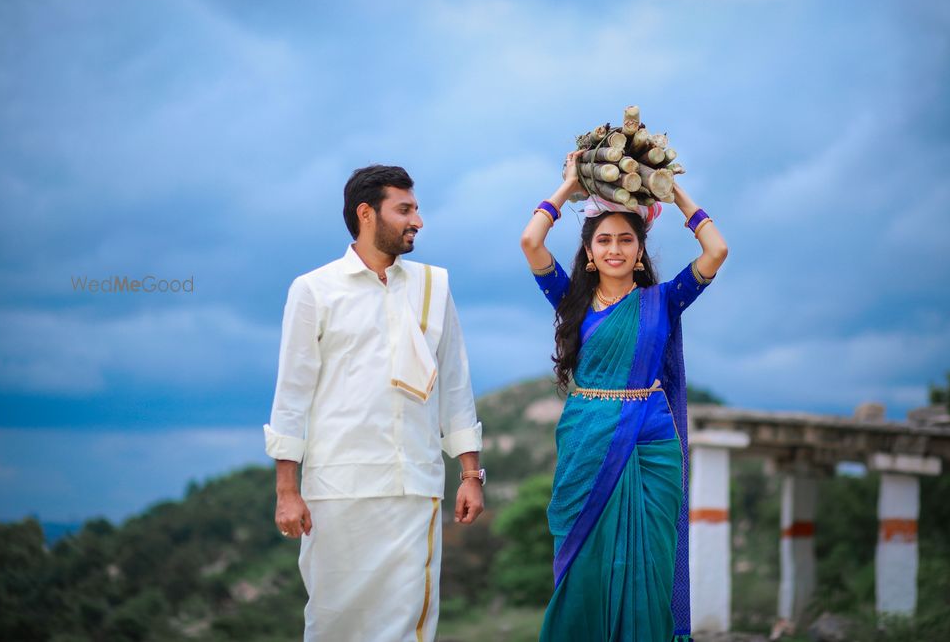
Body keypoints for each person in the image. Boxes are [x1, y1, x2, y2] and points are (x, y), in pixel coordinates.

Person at [264, 164, 486, 642]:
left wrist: (471, 474)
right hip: (336, 487)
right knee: (332, 621)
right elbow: (292, 392)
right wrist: (287, 490)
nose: (418, 221)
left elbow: (454, 384)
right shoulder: (314, 290)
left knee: (408, 624)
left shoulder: (434, 286)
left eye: (417, 208)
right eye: (404, 209)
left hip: (415, 485)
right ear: (367, 214)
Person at [520, 150, 728, 641]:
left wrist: (670, 190)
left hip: (652, 443)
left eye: (626, 239)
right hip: (586, 441)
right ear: (590, 254)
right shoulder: (569, 298)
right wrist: (569, 188)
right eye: (605, 240)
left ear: (640, 251)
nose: (615, 248)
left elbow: (715, 251)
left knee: (651, 564)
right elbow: (531, 241)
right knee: (586, 564)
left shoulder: (664, 301)